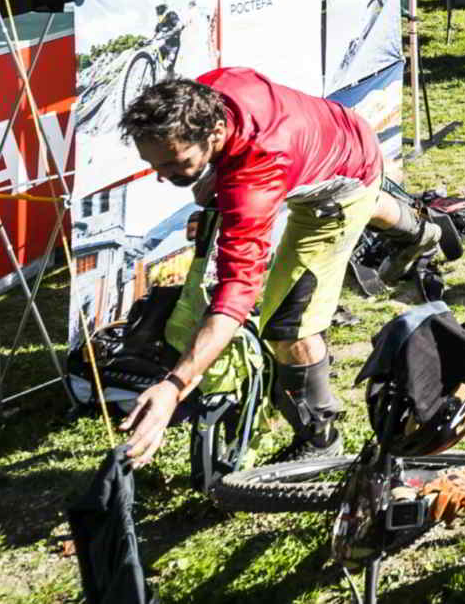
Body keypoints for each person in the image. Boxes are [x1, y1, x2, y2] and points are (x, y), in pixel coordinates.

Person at [115, 69, 445, 466]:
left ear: (215, 132)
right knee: (362, 190)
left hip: (338, 185)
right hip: (344, 132)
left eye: (175, 163)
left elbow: (235, 294)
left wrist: (175, 384)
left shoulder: (256, 175)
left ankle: (320, 439)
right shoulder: (210, 89)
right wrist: (214, 169)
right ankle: (420, 232)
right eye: (155, 165)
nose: (163, 177)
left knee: (289, 325)